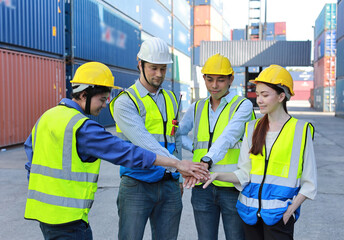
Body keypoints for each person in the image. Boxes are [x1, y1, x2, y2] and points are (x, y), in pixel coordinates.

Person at [23, 62, 208, 240]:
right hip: (68, 217)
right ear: (84, 94)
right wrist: (176, 163)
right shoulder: (82, 128)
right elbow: (127, 153)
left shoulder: (47, 116)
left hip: (44, 214)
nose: (104, 105)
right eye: (102, 99)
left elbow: (30, 154)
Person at [199, 65, 317, 240]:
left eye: (265, 95)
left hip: (279, 217)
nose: (259, 100)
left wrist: (290, 210)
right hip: (249, 215)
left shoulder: (301, 130)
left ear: (281, 96)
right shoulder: (252, 128)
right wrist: (216, 175)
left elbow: (310, 181)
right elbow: (245, 173)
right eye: (258, 94)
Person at [109, 37, 190, 240]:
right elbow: (144, 141)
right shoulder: (126, 101)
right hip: (137, 183)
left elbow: (176, 138)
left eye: (163, 68)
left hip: (169, 184)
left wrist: (178, 178)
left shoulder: (171, 98)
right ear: (140, 64)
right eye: (154, 68)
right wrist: (178, 165)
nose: (159, 74)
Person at [179, 53, 255, 240]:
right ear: (203, 78)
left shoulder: (242, 106)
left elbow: (229, 136)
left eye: (220, 80)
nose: (214, 85)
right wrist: (195, 150)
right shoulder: (197, 107)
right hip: (202, 185)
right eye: (210, 79)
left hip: (233, 187)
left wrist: (206, 159)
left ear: (231, 79)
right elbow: (179, 134)